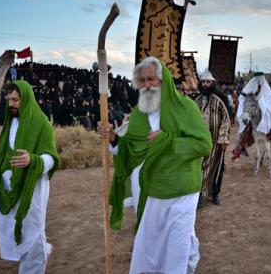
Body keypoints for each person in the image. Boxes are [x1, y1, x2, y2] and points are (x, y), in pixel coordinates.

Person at [98, 56, 211, 274]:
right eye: (143, 80)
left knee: (177, 245)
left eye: (152, 79)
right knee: (151, 245)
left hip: (180, 191)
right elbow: (130, 149)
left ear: (164, 80)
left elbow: (203, 144)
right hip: (149, 191)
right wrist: (113, 138)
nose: (147, 85)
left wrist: (168, 142)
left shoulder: (185, 107)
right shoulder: (138, 114)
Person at [0, 80, 60, 273]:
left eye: (15, 100)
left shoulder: (42, 124)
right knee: (22, 235)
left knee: (34, 236)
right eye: (9, 100)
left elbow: (51, 158)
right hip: (9, 190)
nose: (11, 104)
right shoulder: (10, 123)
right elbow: (5, 156)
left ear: (26, 99)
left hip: (31, 190)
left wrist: (32, 160)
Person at [194, 69, 231, 206]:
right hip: (200, 141)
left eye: (208, 82)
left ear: (213, 83)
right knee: (199, 166)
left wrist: (223, 137)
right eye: (203, 81)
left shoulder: (221, 98)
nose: (205, 84)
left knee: (218, 166)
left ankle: (215, 193)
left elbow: (226, 118)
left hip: (217, 140)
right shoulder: (196, 100)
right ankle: (199, 194)